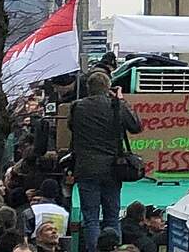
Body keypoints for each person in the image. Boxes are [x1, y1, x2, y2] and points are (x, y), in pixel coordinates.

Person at [69, 70, 143, 249]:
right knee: (112, 215)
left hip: (86, 168)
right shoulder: (116, 105)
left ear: (88, 88)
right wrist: (121, 100)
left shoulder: (77, 106)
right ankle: (114, 249)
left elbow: (71, 127)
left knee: (91, 218)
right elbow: (136, 126)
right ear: (108, 87)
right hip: (113, 168)